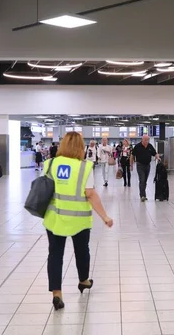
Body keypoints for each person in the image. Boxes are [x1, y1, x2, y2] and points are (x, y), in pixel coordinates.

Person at [43, 132, 113, 310]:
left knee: (55, 255)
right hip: (79, 220)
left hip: (55, 218)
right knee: (82, 251)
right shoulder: (84, 167)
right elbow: (90, 194)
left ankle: (57, 293)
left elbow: (45, 188)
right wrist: (105, 216)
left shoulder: (50, 164)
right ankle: (83, 280)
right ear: (80, 147)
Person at [131, 135, 159, 202]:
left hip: (147, 165)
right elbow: (132, 156)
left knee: (145, 181)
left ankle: (143, 194)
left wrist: (157, 157)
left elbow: (155, 153)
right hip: (140, 165)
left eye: (147, 140)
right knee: (142, 180)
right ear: (142, 139)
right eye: (145, 140)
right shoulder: (137, 146)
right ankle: (142, 196)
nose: (147, 141)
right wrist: (131, 165)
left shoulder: (150, 146)